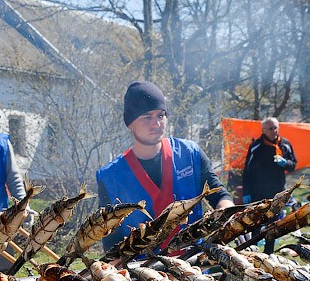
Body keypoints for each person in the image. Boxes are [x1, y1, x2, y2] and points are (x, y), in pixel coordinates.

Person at [96, 81, 234, 250]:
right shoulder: (111, 176)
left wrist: (228, 215)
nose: (156, 124)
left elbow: (219, 195)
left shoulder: (190, 154)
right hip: (142, 270)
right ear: (130, 123)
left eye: (161, 115)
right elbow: (111, 238)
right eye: (147, 117)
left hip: (193, 265)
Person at [241, 117, 297, 253]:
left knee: (273, 225)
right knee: (255, 225)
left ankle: (268, 254)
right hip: (257, 192)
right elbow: (247, 170)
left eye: (275, 128)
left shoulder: (285, 144)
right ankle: (253, 253)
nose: (273, 131)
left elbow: (293, 165)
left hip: (277, 191)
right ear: (264, 130)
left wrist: (285, 163)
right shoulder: (257, 146)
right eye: (270, 128)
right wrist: (246, 191)